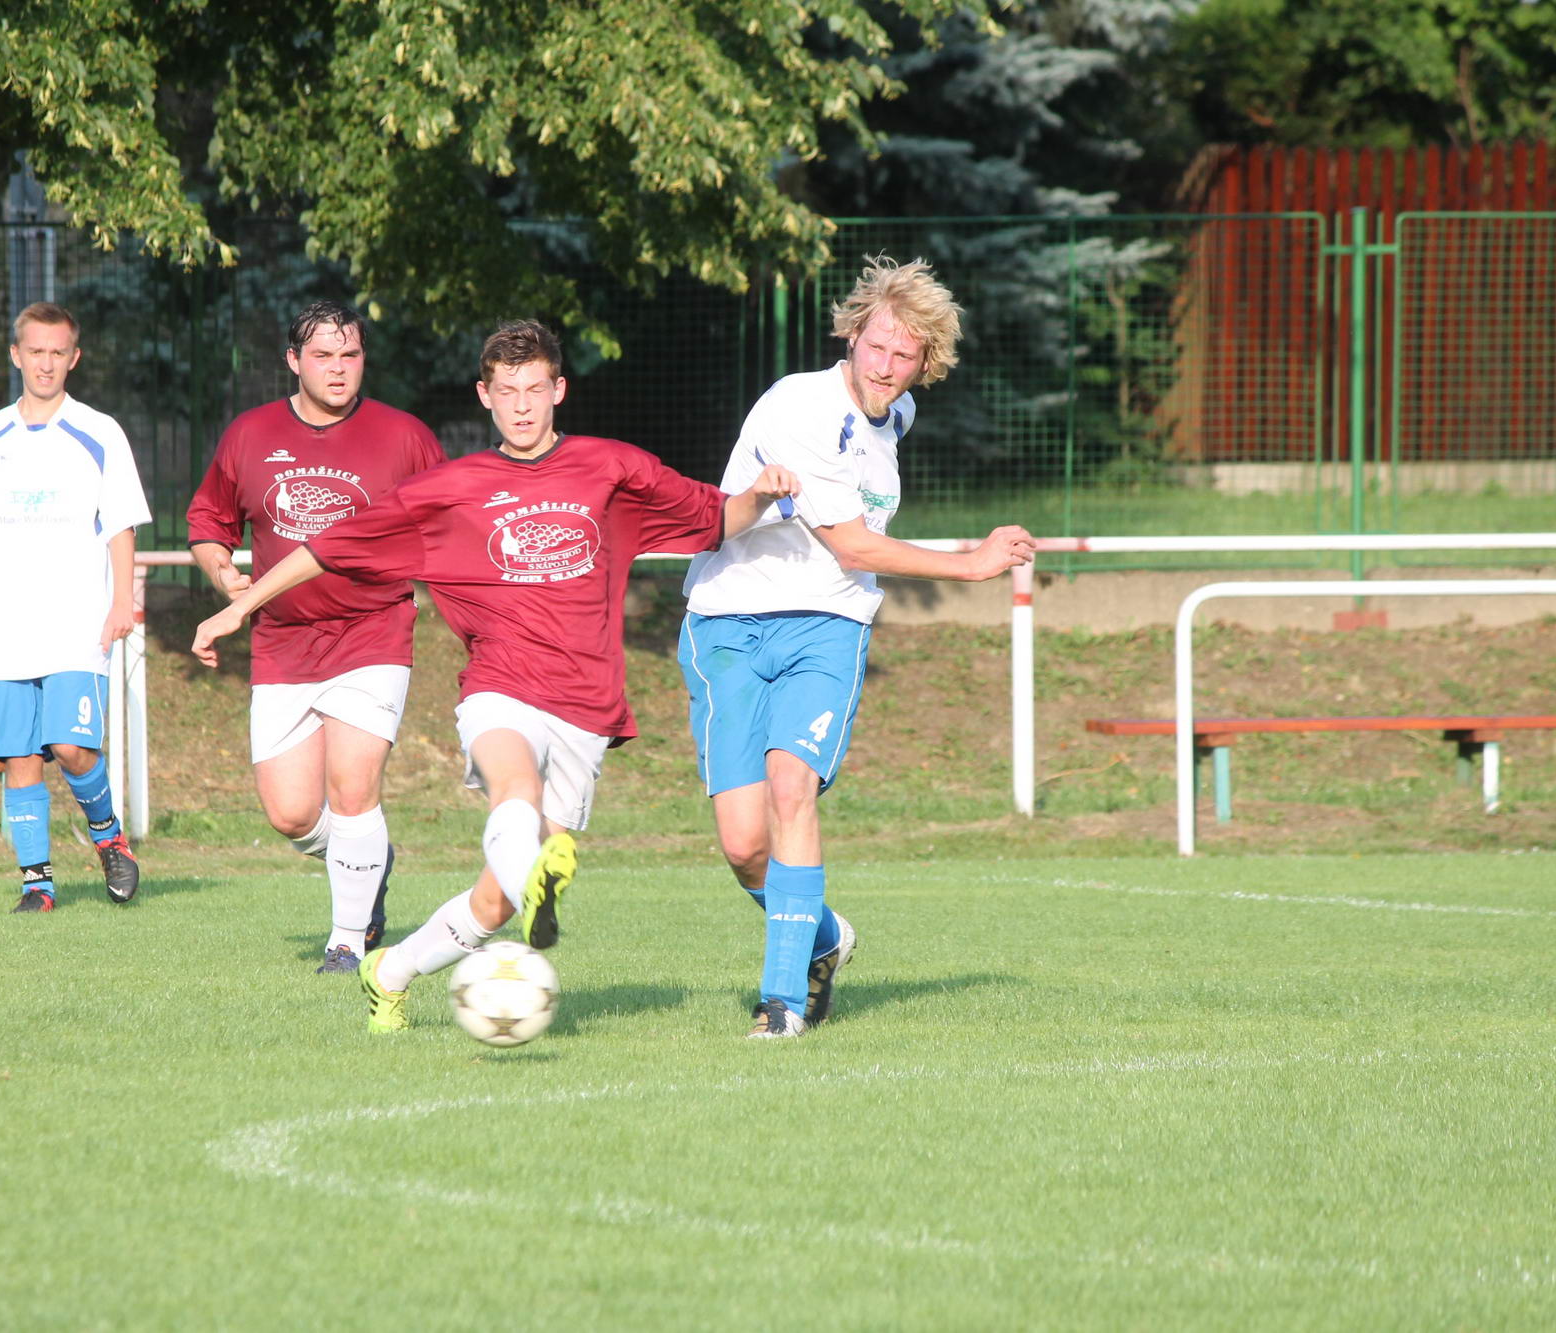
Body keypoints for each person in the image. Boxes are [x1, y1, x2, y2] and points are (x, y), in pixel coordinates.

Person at [192, 319, 799, 1032]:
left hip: (586, 703)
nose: (521, 405)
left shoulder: (612, 469)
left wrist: (760, 494)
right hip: (498, 685)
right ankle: (530, 873)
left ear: (559, 390)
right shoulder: (450, 489)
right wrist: (238, 608)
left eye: (534, 389)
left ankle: (390, 971)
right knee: (515, 791)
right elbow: (329, 547)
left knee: (496, 902)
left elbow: (715, 519)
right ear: (485, 396)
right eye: (506, 391)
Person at [676, 257, 1037, 1037]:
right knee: (743, 845)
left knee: (791, 789)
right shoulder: (798, 406)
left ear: (926, 363)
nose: (885, 366)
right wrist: (970, 563)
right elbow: (851, 543)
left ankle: (781, 1004)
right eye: (876, 346)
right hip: (727, 622)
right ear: (852, 336)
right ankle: (825, 935)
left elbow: (845, 565)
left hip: (827, 626)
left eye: (904, 355)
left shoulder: (897, 414)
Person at [187, 301, 446, 972]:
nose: (338, 369)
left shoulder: (405, 437)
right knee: (292, 814)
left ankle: (346, 942)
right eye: (323, 356)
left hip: (372, 632)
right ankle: (368, 857)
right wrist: (225, 576)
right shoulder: (250, 434)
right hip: (282, 640)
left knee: (353, 789)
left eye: (349, 354)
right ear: (293, 361)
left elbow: (448, 526)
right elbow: (209, 524)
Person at [0, 302, 152, 912]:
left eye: (58, 352)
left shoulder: (99, 432)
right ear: (16, 355)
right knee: (18, 756)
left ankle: (108, 836)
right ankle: (38, 885)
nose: (46, 363)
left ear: (74, 358)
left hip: (75, 625)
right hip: (4, 628)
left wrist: (121, 601)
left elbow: (120, 526)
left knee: (70, 747)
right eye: (36, 351)